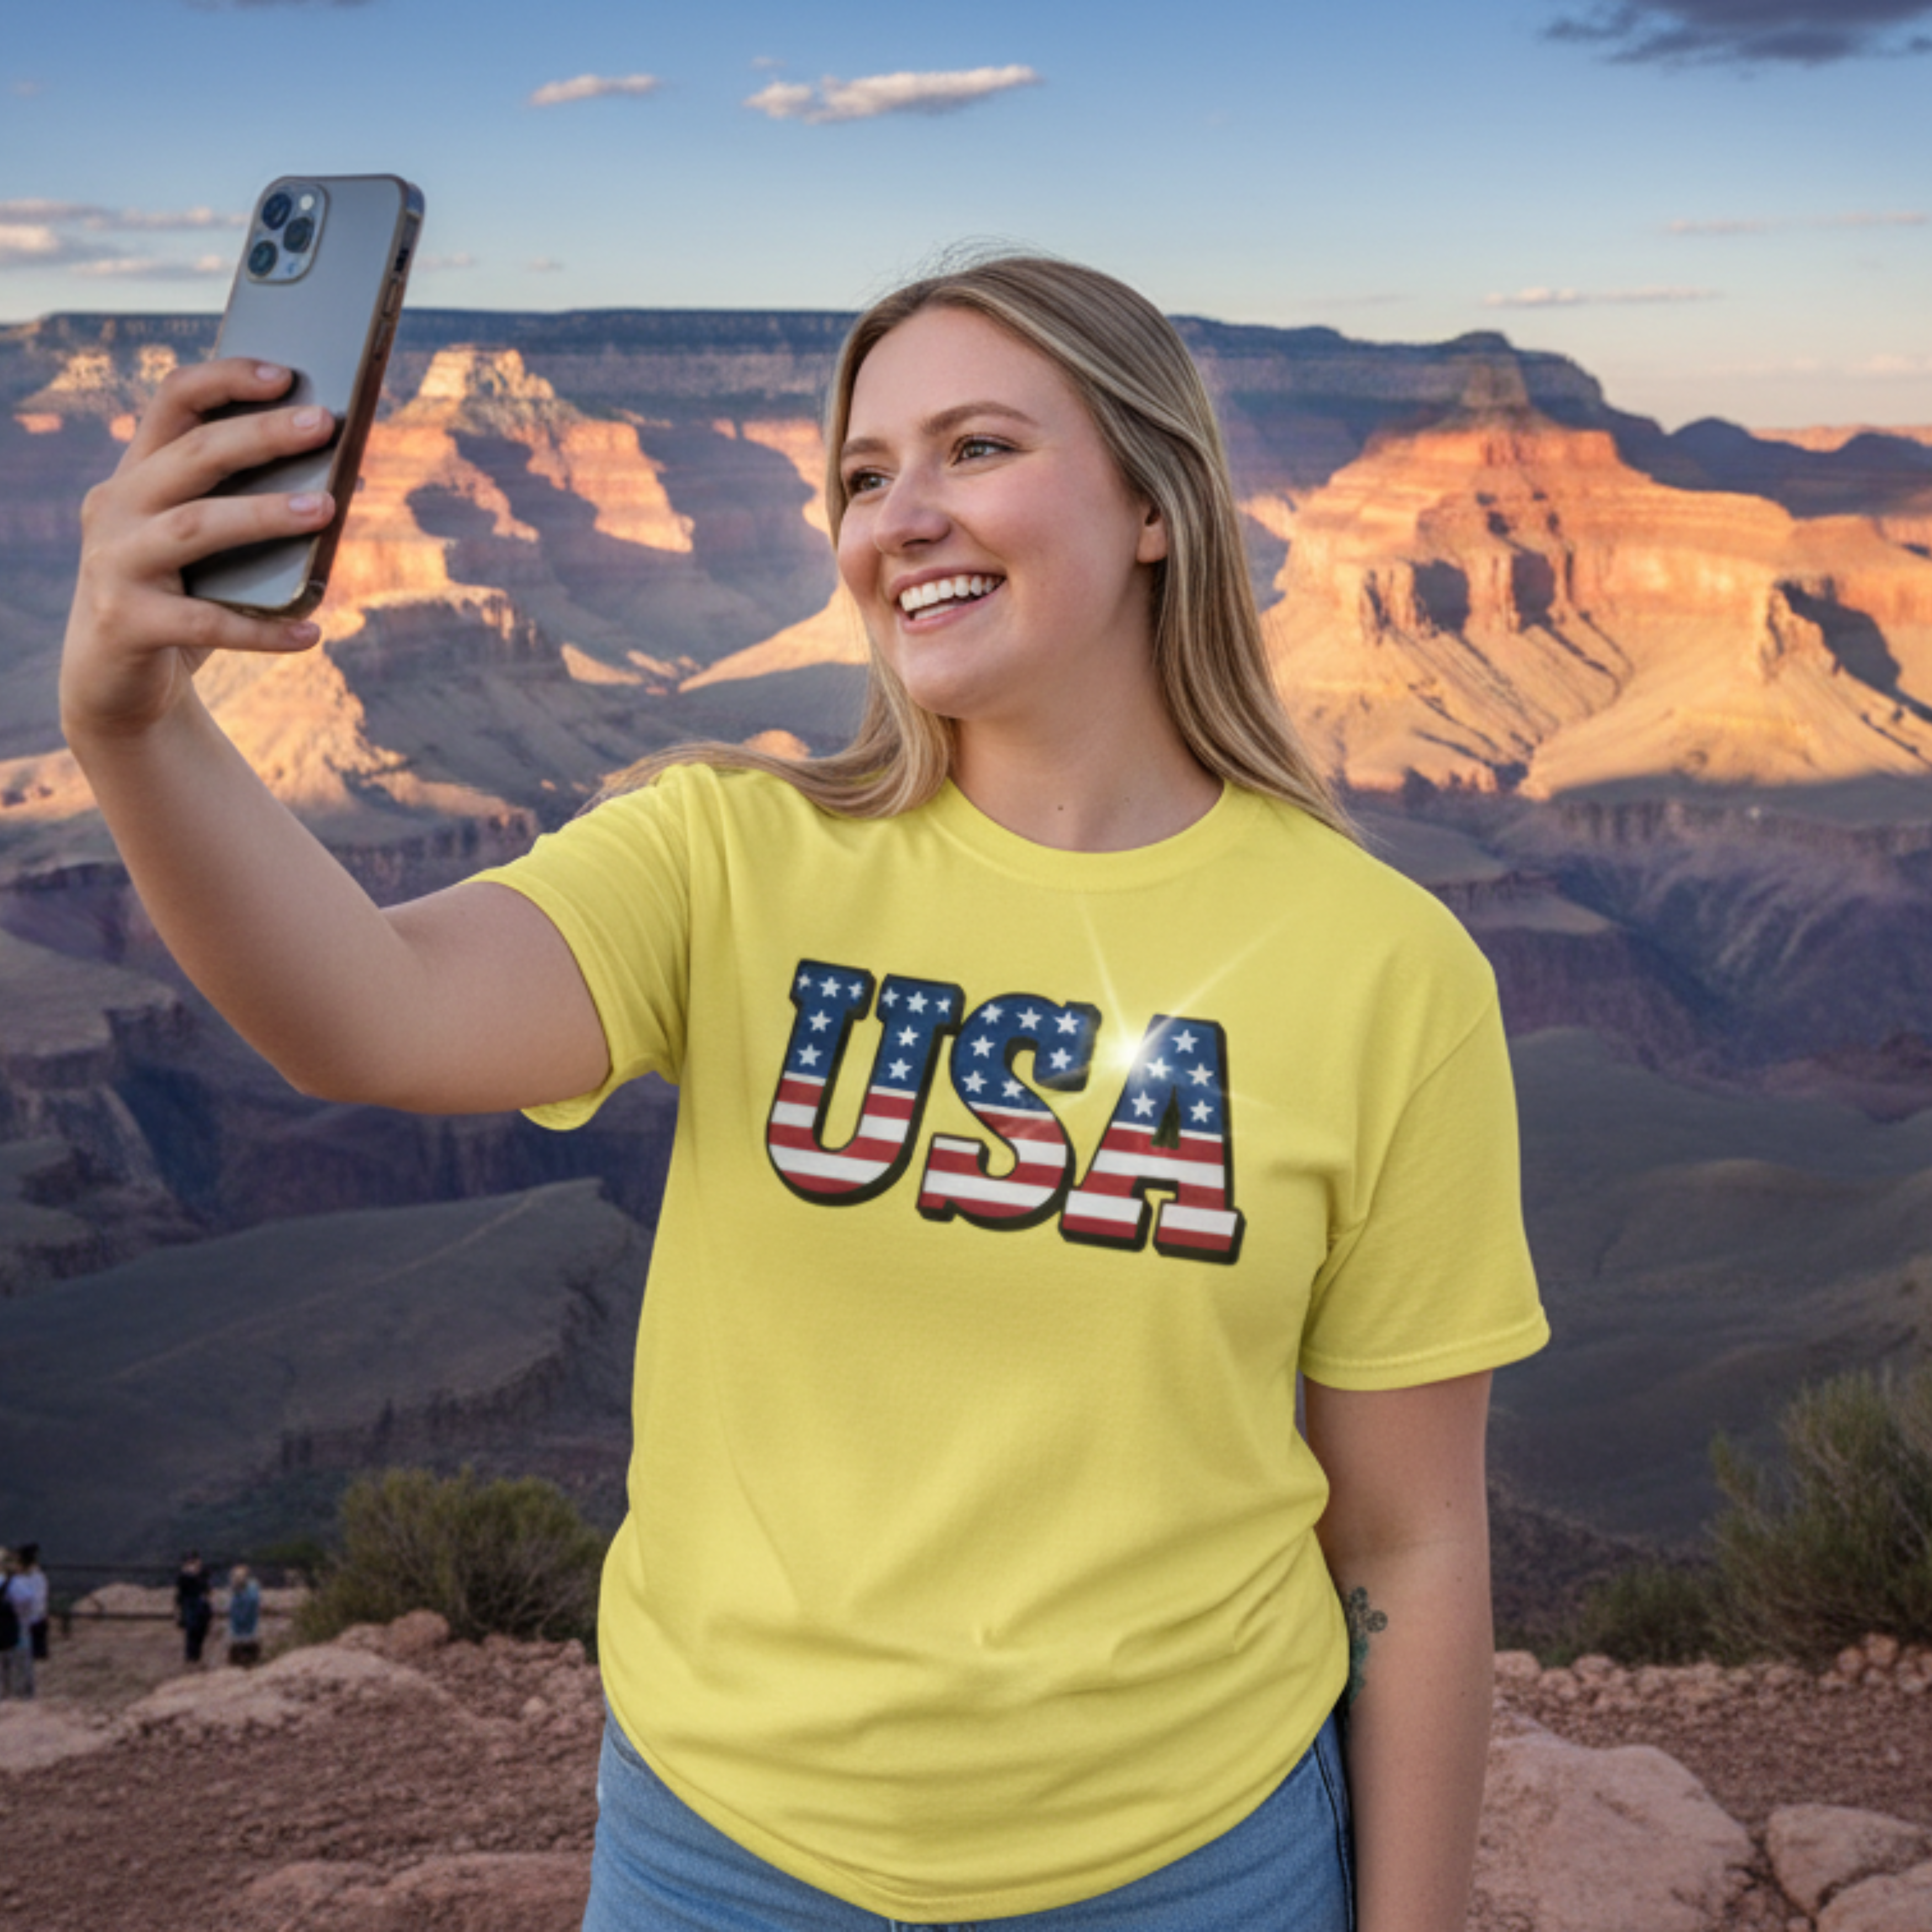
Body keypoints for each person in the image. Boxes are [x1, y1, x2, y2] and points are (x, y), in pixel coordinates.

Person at [62, 251, 1547, 1931]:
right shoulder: (724, 856)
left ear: (1151, 502)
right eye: (858, 474)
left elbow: (1411, 1544)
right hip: (725, 1857)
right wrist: (131, 720)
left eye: (975, 448)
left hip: (1187, 1859)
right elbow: (367, 1015)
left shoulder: (1383, 965)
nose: (895, 514)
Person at [2, 1543, 47, 1699]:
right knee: (21, 1664)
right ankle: (22, 1696)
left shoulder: (17, 1581)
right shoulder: (32, 1580)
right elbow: (33, 1604)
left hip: (16, 1626)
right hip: (23, 1627)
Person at [174, 1551, 213, 1666]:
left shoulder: (203, 1574)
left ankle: (197, 1657)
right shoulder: (183, 1577)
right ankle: (191, 1658)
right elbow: (180, 1594)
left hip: (201, 1608)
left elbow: (207, 1589)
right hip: (190, 1607)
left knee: (201, 1633)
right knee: (192, 1632)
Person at [226, 1562, 263, 1667]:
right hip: (240, 1627)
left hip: (248, 1627)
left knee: (247, 1648)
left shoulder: (251, 1589)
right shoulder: (239, 1590)